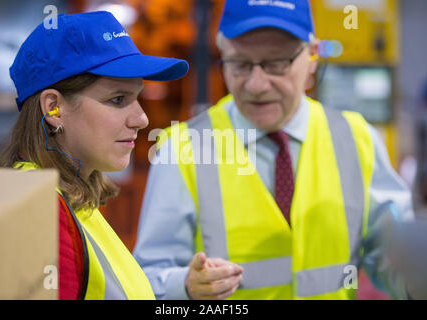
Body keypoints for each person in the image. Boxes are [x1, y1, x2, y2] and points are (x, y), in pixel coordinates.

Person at [133, 0, 416, 300]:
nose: (256, 84)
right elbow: (147, 277)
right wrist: (185, 286)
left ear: (312, 58)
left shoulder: (356, 138)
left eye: (276, 64)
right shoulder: (183, 148)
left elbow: (393, 256)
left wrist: (413, 277)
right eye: (240, 64)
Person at [0, 11, 188, 300]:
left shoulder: (70, 201)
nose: (142, 119)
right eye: (117, 99)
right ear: (54, 108)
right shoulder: (35, 213)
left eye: (137, 97)